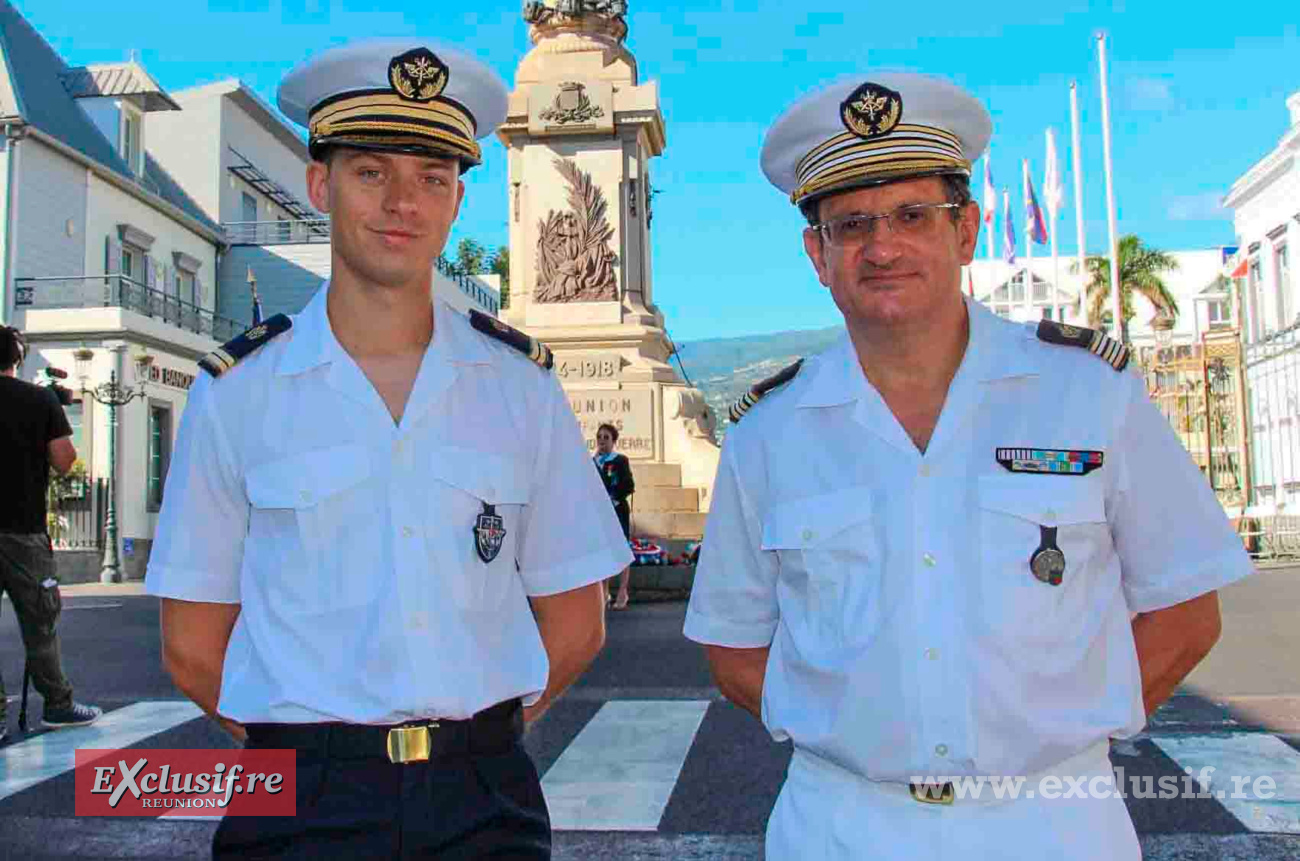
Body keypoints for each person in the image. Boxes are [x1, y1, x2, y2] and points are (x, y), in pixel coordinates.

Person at [683, 72, 1254, 860]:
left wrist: (1054, 735)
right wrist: (849, 730)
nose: (882, 246)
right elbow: (734, 648)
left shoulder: (1089, 393)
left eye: (913, 215)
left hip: (1053, 824)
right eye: (852, 225)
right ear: (818, 254)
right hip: (841, 828)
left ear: (967, 229)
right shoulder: (769, 433)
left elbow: (1188, 610)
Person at [145, 38, 632, 859]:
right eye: (371, 171)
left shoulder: (520, 387)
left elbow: (577, 623)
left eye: (432, 179)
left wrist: (476, 725)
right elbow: (192, 646)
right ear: (319, 185)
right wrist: (318, 742)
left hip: (483, 795)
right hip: (300, 796)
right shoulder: (239, 391)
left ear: (455, 202)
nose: (402, 201)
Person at [0, 326, 102, 743]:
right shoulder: (39, 399)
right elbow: (65, 461)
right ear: (17, 359)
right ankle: (58, 704)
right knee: (40, 622)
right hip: (23, 529)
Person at [593, 423, 634, 609]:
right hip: (600, 513)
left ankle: (623, 592)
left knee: (622, 550)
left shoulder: (619, 461)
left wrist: (613, 497)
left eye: (606, 437)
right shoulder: (592, 462)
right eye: (599, 437)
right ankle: (604, 592)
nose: (602, 441)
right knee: (603, 550)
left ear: (613, 441)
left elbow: (628, 485)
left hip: (617, 511)